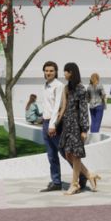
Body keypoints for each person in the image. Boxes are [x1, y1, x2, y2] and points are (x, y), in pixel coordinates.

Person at [58, 62, 99, 196]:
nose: (64, 74)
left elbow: (83, 110)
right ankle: (89, 174)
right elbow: (63, 107)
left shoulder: (81, 89)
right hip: (67, 125)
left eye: (66, 71)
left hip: (76, 125)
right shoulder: (66, 88)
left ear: (72, 73)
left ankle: (74, 184)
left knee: (75, 155)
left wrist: (84, 129)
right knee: (67, 154)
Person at [38, 61, 66, 192]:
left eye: (51, 71)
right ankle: (56, 182)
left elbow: (57, 107)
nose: (48, 73)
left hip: (53, 125)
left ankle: (81, 176)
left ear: (56, 72)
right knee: (51, 155)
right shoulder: (45, 85)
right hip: (45, 123)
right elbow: (47, 106)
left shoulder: (59, 85)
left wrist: (52, 125)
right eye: (46, 70)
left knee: (65, 153)